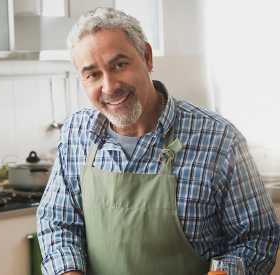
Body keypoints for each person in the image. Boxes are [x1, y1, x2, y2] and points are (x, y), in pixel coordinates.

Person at [36, 7, 280, 275]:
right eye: (92, 74)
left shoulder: (219, 140)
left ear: (147, 57)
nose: (109, 86)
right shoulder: (76, 133)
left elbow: (257, 239)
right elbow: (58, 223)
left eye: (119, 65)